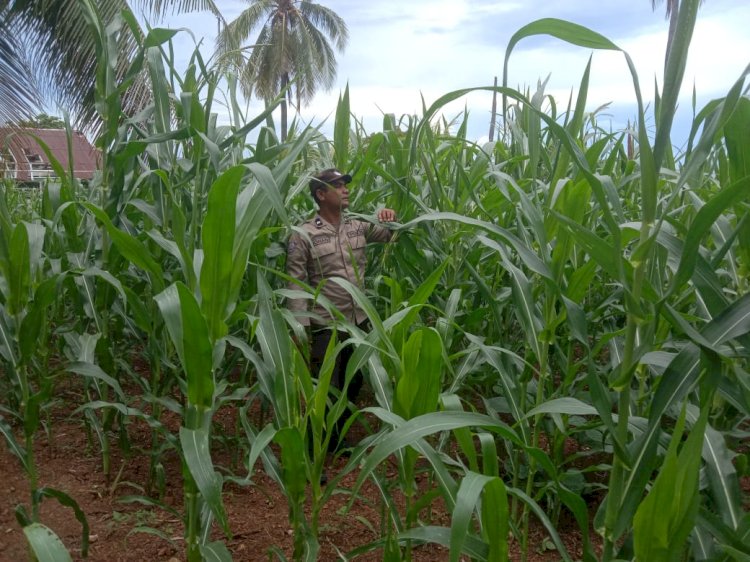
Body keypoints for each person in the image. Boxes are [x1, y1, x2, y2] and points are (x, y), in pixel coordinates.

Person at [285, 168, 396, 449]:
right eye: (337, 185)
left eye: (346, 183)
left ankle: (335, 437)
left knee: (355, 381)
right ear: (321, 195)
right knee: (324, 389)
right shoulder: (304, 234)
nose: (345, 188)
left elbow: (390, 236)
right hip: (325, 325)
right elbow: (296, 283)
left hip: (358, 322)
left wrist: (390, 218)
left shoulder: (358, 226)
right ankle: (314, 452)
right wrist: (300, 329)